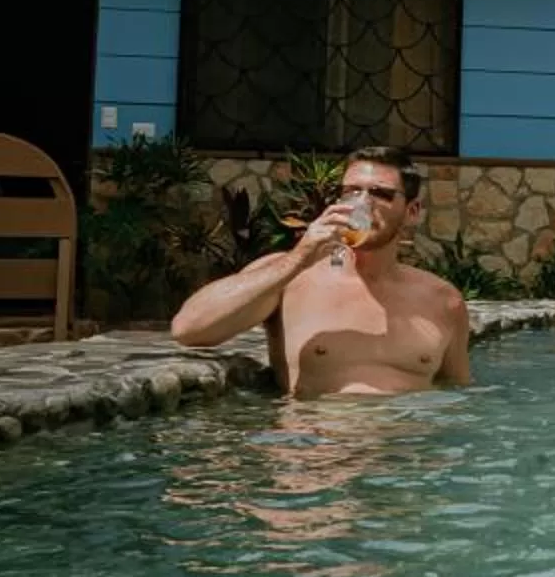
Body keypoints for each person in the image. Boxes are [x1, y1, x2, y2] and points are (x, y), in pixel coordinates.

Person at [170, 145, 471, 397]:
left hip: (404, 460)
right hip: (317, 457)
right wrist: (300, 256)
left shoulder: (443, 301)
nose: (362, 204)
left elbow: (456, 394)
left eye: (380, 193)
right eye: (352, 191)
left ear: (412, 211)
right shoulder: (292, 277)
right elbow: (190, 329)